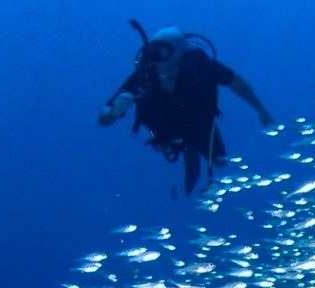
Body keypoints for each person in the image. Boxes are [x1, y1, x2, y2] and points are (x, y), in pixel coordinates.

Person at [99, 23, 275, 195]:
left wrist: (260, 109)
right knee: (181, 162)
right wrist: (114, 113)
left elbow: (236, 83)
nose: (156, 58)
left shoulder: (202, 67)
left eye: (163, 51)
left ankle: (194, 168)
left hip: (200, 126)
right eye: (152, 52)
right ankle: (185, 172)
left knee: (219, 162)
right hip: (164, 132)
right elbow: (103, 118)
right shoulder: (143, 76)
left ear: (180, 52)